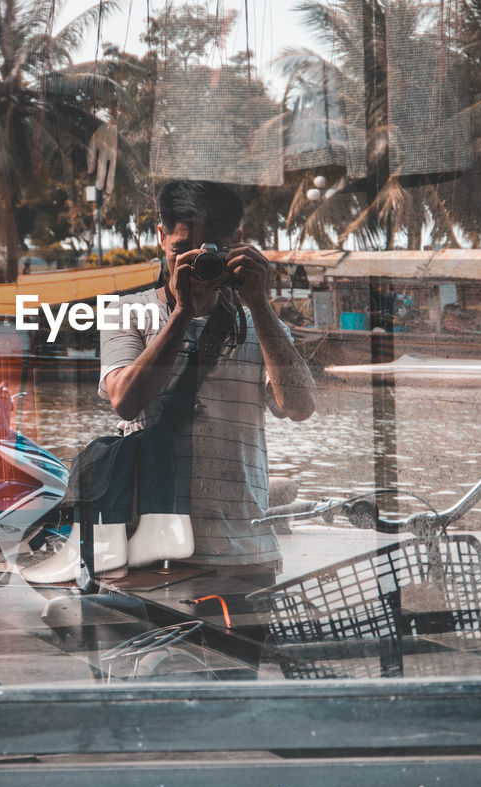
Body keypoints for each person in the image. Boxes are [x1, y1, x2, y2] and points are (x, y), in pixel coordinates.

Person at [20, 180, 315, 583]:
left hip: (245, 548)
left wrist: (260, 304)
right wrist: (180, 314)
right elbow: (125, 400)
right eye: (182, 251)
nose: (197, 266)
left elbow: (300, 407)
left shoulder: (261, 325)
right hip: (150, 548)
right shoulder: (129, 313)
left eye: (211, 251)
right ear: (161, 238)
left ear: (237, 243)